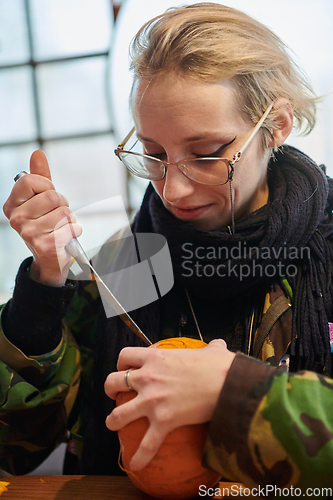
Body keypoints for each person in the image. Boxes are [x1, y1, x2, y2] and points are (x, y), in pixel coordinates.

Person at [1, 1, 333, 491]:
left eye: (206, 154)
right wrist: (45, 283)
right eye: (152, 155)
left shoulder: (322, 250)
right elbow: (17, 445)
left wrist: (233, 394)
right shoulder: (129, 263)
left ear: (276, 125)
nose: (171, 191)